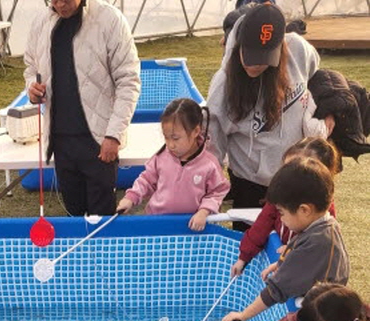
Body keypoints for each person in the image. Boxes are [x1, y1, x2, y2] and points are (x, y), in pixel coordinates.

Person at [207, 3, 334, 219]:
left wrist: (327, 114)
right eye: (250, 53)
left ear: (281, 47)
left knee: (295, 246)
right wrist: (210, 191)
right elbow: (213, 145)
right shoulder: (223, 84)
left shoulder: (299, 49)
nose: (254, 64)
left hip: (298, 176)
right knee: (252, 243)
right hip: (251, 184)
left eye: (264, 57)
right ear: (238, 44)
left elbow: (317, 77)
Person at [24, 0, 141, 217]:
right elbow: (30, 66)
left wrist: (114, 135)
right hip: (60, 142)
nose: (60, 5)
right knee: (73, 216)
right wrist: (32, 87)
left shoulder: (110, 20)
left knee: (102, 219)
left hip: (99, 142)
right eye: (54, 0)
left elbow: (129, 82)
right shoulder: (40, 22)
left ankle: (104, 251)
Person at [222, 157, 349, 321]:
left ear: (304, 210)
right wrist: (279, 264)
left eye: (281, 213)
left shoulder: (318, 241)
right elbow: (300, 251)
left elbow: (276, 291)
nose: (280, 219)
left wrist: (242, 316)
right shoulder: (324, 225)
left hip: (321, 319)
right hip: (324, 305)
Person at [231, 136, 341, 276]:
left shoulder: (324, 210)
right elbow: (261, 225)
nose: (287, 176)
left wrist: (295, 247)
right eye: (286, 168)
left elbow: (322, 240)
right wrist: (243, 257)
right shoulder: (281, 196)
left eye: (297, 169)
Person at [116, 99, 230, 230]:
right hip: (158, 223)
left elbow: (217, 192)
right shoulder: (161, 157)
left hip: (191, 227)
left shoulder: (209, 164)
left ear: (196, 131)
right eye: (166, 137)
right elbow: (146, 180)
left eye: (175, 138)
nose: (170, 144)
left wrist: (204, 211)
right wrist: (130, 198)